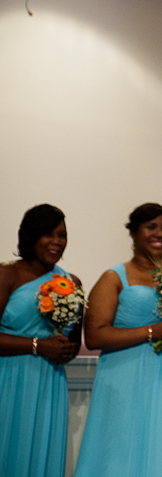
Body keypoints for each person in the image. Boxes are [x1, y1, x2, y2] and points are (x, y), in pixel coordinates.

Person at [74, 203, 162, 477]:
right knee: (119, 445)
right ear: (134, 233)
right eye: (151, 227)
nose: (160, 234)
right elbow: (95, 334)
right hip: (123, 375)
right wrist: (153, 331)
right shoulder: (114, 277)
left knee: (160, 440)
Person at [0, 204, 82, 477]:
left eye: (62, 235)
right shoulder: (7, 275)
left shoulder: (72, 282)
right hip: (8, 379)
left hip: (49, 382)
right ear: (31, 236)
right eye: (49, 235)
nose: (57, 242)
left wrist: (64, 350)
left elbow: (72, 342)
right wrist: (37, 345)